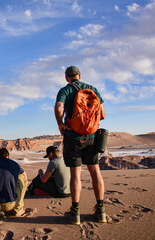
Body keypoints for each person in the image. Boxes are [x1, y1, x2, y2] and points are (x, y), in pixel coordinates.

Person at [55, 66, 106, 225]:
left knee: (76, 174)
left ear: (66, 78)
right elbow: (103, 115)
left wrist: (60, 124)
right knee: (95, 171)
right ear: (79, 75)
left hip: (73, 137)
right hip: (92, 137)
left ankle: (75, 213)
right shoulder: (93, 89)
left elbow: (58, 108)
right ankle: (101, 211)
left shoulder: (65, 91)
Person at [0, 148, 28, 218]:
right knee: (21, 177)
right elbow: (24, 174)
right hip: (9, 205)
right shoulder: (14, 163)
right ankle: (18, 210)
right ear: (8, 156)